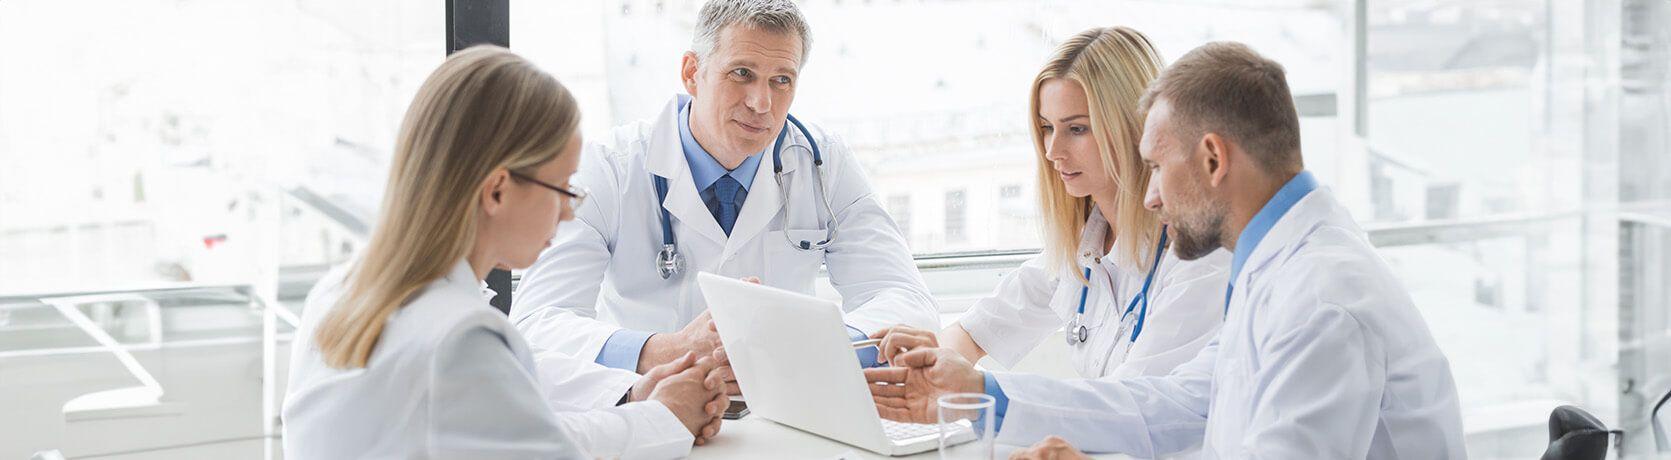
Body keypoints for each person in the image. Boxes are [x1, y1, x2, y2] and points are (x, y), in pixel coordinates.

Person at [865, 42, 1466, 459]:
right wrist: (984, 396)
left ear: (1212, 159)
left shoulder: (1322, 301)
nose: (1147, 195)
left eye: (1154, 166)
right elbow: (1174, 406)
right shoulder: (1277, 268)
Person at [282, 46, 728, 459]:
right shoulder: (457, 337)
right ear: (496, 190)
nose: (569, 212)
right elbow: (549, 448)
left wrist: (634, 396)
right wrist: (663, 418)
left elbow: (513, 396)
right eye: (563, 188)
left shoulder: (343, 290)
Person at [510, 0, 937, 391]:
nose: (761, 102)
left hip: (790, 404)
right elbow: (536, 324)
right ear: (692, 73)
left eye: (781, 80)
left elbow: (907, 300)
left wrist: (811, 344)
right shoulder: (609, 167)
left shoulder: (823, 162)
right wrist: (665, 350)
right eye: (742, 73)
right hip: (652, 407)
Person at [869, 26, 1228, 384]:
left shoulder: (1199, 259)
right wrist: (926, 358)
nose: (1053, 152)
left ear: (1137, 127)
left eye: (1077, 129)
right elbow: (974, 331)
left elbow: (1131, 408)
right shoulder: (1084, 249)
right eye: (1046, 128)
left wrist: (981, 388)